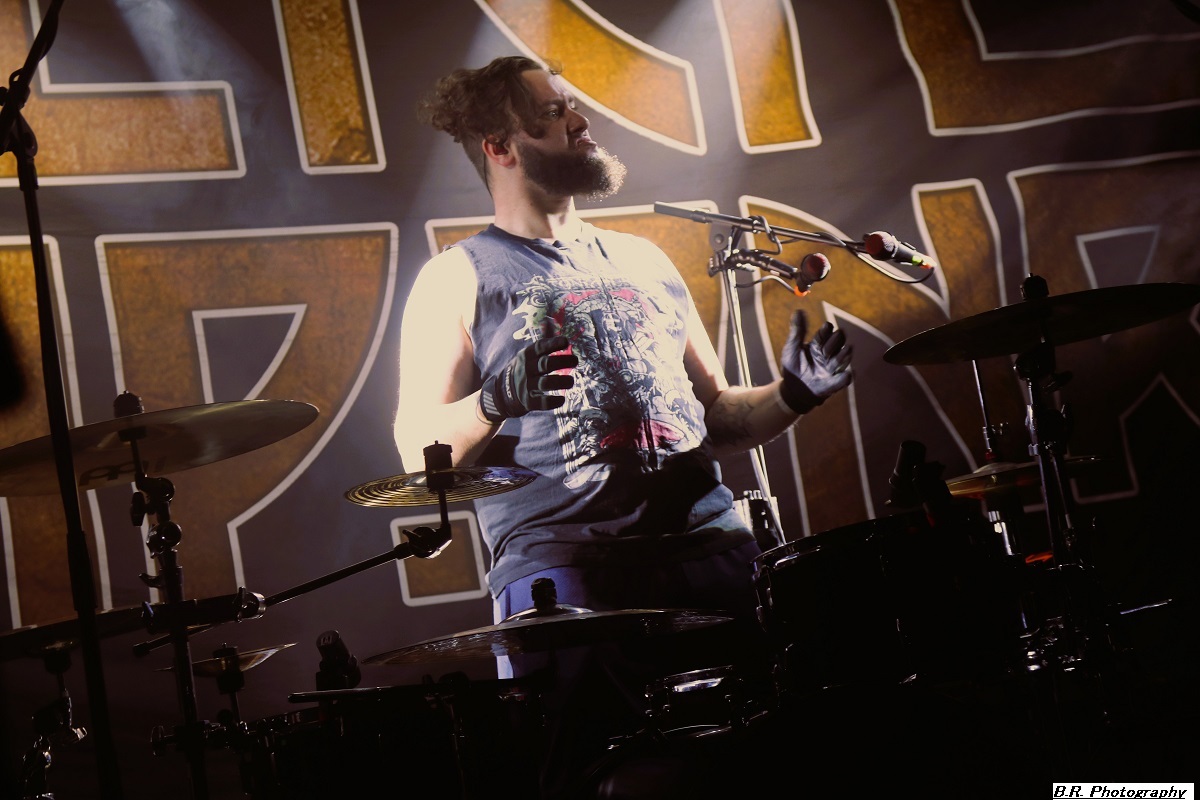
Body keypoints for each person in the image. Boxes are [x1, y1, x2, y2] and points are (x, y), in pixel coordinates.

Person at [395, 55, 853, 799]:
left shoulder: (645, 260)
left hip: (714, 555)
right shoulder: (458, 277)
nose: (579, 122)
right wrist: (491, 402)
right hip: (572, 578)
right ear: (499, 146)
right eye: (551, 115)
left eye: (572, 107)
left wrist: (793, 394)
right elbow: (417, 455)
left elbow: (717, 418)